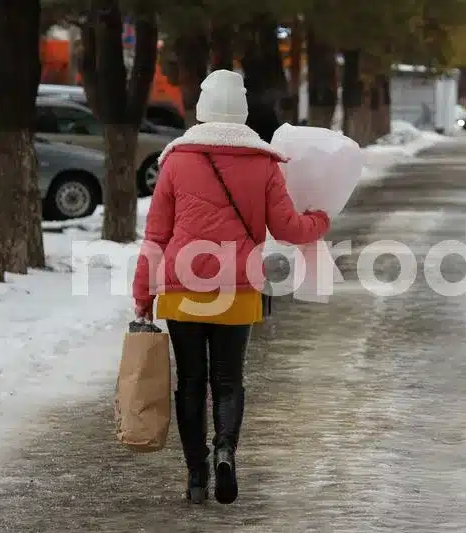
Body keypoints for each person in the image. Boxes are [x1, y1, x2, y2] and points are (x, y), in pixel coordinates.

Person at [132, 69, 331, 505]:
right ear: (241, 111)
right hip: (239, 290)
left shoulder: (177, 161)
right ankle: (225, 448)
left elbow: (156, 235)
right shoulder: (263, 163)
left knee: (190, 382)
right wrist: (320, 220)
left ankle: (197, 476)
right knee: (228, 379)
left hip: (183, 288)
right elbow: (287, 227)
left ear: (201, 109)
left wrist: (143, 294)